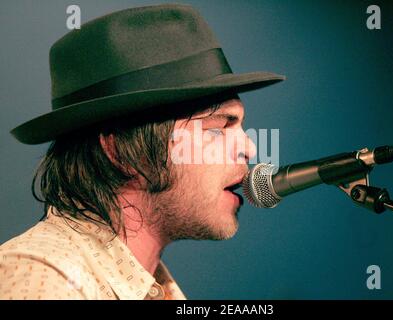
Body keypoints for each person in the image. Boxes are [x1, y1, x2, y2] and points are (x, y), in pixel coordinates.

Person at [0, 4, 284, 300]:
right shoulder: (47, 277)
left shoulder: (152, 289)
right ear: (121, 152)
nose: (249, 147)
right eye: (218, 127)